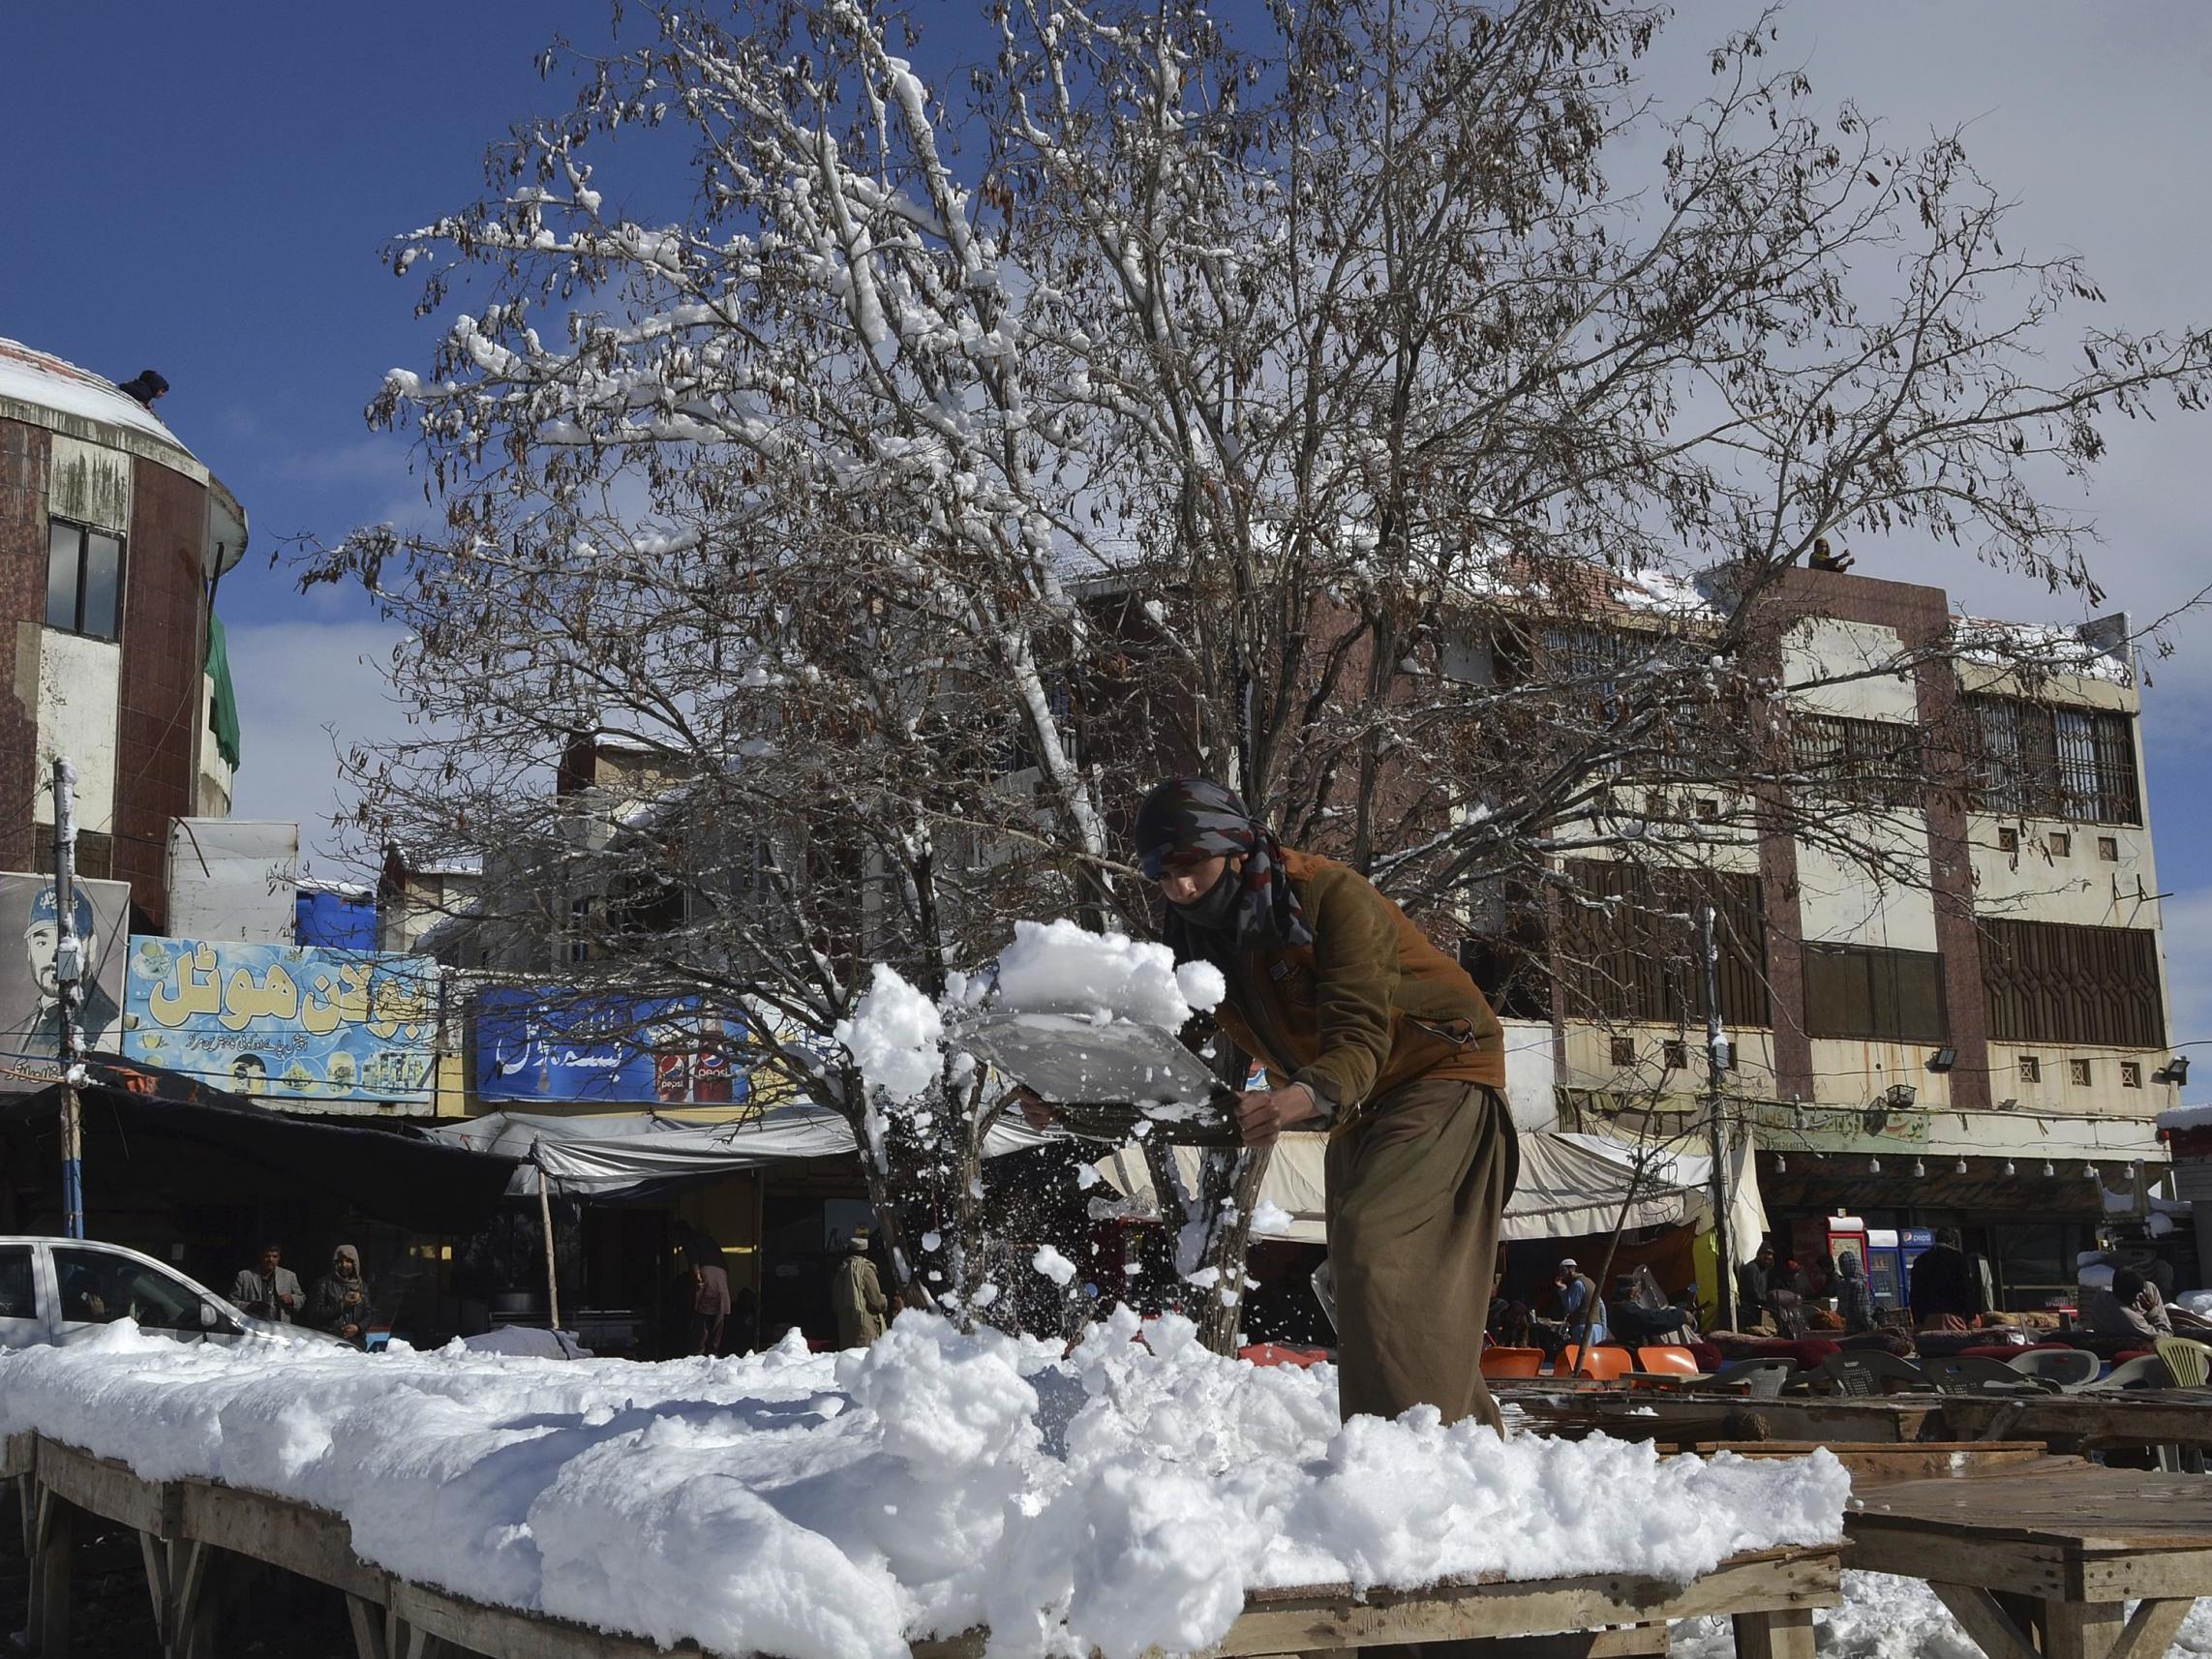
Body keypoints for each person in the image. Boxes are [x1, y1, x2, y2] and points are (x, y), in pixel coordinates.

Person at [1135, 777, 1518, 1433]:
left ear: (1231, 846)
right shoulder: (1199, 936)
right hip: (1359, 1105)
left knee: (1378, 1253)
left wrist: (1297, 1098)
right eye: (1162, 875)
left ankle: (1401, 1473)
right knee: (1363, 1282)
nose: (1180, 890)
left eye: (1190, 867)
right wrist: (1065, 1097)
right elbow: (1155, 1040)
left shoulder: (1328, 897)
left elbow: (1358, 1034)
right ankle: (1471, 1456)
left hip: (1441, 1075)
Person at [3, 884, 120, 1062]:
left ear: (91, 947)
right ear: (29, 950)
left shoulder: (107, 1022)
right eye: (42, 943)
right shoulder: (42, 1008)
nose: (53, 956)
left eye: (66, 943)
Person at [1908, 1228, 1984, 1332]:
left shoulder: (1921, 1260)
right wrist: (1970, 1317)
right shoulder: (1958, 1259)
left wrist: (1918, 1320)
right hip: (1954, 1316)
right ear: (1952, 1242)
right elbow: (1967, 1290)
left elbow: (1915, 1293)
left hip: (1928, 1318)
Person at [308, 1244, 376, 1347]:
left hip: (356, 1343)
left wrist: (358, 1327)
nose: (344, 1265)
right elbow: (315, 1314)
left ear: (354, 1264)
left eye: (348, 1261)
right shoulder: (324, 1284)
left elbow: (368, 1314)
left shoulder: (362, 1286)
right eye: (340, 1261)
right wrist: (342, 1304)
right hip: (330, 1343)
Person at [831, 1230, 888, 1348]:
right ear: (866, 1253)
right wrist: (886, 1301)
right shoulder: (865, 1270)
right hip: (864, 1330)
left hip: (845, 1329)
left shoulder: (840, 1271)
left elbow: (835, 1304)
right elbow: (876, 1301)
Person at [229, 1242, 302, 1324]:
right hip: (253, 1326)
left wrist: (291, 1299)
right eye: (267, 1256)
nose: (270, 1260)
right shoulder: (244, 1276)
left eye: (274, 1256)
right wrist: (249, 1306)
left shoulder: (289, 1276)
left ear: (279, 1258)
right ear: (261, 1257)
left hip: (281, 1327)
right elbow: (231, 1302)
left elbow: (301, 1298)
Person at [691, 1250, 732, 1356]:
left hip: (708, 1294)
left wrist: (697, 1274)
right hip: (721, 1295)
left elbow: (694, 1265)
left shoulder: (693, 1246)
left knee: (703, 1326)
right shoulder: (719, 1262)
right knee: (716, 1325)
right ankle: (712, 1353)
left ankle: (699, 1352)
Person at [1833, 1250, 1875, 1336]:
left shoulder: (1841, 1285)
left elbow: (1841, 1312)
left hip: (1848, 1331)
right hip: (1862, 1332)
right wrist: (1876, 1328)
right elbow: (1863, 1314)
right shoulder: (1858, 1285)